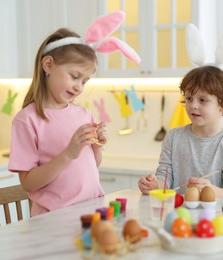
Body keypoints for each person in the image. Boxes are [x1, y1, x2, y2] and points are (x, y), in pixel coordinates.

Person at [8, 11, 140, 216]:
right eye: (75, 76)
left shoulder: (83, 114)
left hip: (91, 208)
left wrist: (96, 147)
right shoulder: (27, 120)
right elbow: (29, 183)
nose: (79, 87)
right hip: (53, 217)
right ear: (48, 65)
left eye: (85, 81)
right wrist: (68, 153)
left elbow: (92, 165)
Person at [138, 24, 223, 200]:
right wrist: (154, 185)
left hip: (214, 222)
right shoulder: (174, 137)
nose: (193, 105)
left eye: (202, 100)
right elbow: (164, 179)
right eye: (189, 98)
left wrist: (210, 189)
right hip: (176, 219)